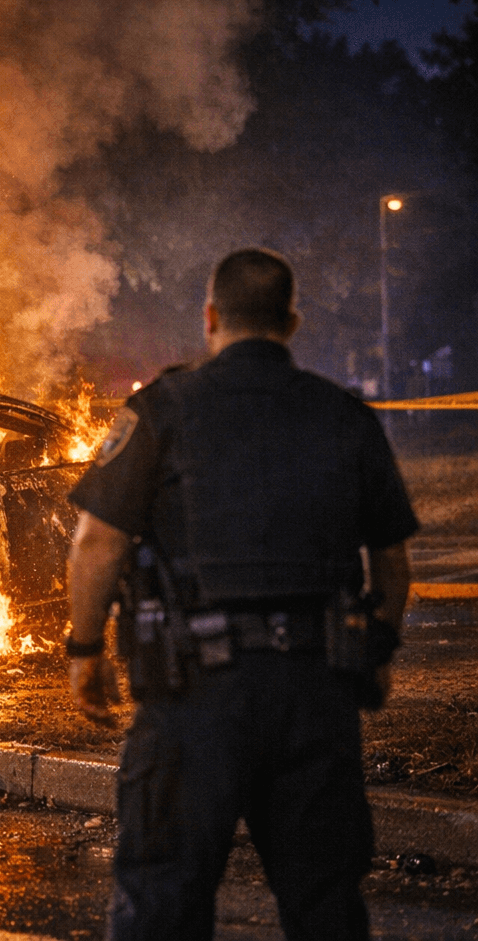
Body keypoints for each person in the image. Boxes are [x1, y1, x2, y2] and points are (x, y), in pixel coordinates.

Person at [64, 248, 417, 940]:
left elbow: (96, 544)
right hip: (316, 695)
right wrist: (376, 652)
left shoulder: (160, 410)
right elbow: (392, 564)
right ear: (291, 321)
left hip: (193, 698)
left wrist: (85, 651)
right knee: (325, 909)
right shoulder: (344, 416)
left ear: (211, 318)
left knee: (161, 905)